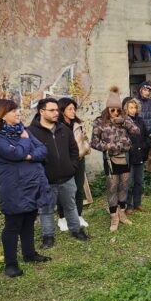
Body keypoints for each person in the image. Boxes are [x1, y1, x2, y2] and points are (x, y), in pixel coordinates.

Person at [0, 99, 53, 278]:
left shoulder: (23, 130)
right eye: (14, 111)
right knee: (13, 225)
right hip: (14, 187)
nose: (18, 113)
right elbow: (15, 154)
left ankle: (29, 254)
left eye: (17, 110)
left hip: (32, 184)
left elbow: (42, 150)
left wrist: (30, 155)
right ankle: (11, 264)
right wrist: (24, 144)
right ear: (2, 115)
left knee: (29, 220)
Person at [28, 97, 90, 248]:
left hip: (67, 178)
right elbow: (30, 155)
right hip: (46, 181)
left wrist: (72, 166)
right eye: (52, 110)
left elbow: (74, 150)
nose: (57, 113)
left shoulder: (63, 129)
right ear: (42, 112)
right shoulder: (31, 132)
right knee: (46, 210)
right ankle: (48, 237)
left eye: (57, 109)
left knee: (71, 205)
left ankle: (76, 230)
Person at [91, 87, 140, 232]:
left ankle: (122, 213)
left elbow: (136, 131)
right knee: (112, 187)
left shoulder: (124, 119)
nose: (115, 113)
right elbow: (93, 142)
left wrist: (125, 121)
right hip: (109, 159)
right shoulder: (100, 122)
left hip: (124, 157)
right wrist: (107, 146)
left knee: (124, 185)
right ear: (107, 109)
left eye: (118, 110)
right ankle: (113, 216)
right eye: (112, 110)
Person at [57, 97, 90, 227]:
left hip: (79, 159)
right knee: (63, 190)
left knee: (78, 188)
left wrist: (85, 148)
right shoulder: (57, 126)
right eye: (70, 109)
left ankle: (78, 215)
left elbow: (85, 138)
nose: (73, 111)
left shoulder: (78, 124)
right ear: (62, 110)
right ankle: (62, 218)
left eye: (74, 109)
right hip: (63, 162)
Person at [124, 96, 150, 213]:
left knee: (139, 181)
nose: (133, 110)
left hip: (140, 155)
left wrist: (144, 146)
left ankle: (137, 203)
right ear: (126, 109)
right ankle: (129, 205)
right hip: (130, 156)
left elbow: (147, 136)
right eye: (131, 107)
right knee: (129, 183)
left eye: (135, 107)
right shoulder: (124, 122)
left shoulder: (140, 121)